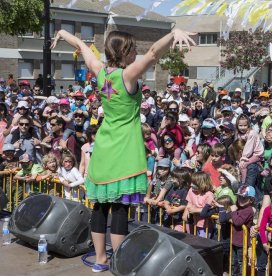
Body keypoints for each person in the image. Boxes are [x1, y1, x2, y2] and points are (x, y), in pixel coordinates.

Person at [51, 27, 195, 272]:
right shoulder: (127, 76)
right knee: (119, 208)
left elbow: (82, 46)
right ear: (124, 51)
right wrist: (172, 34)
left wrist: (62, 32)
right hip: (124, 148)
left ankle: (100, 260)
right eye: (132, 48)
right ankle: (118, 261)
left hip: (104, 146)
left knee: (100, 206)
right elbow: (152, 53)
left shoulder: (99, 71)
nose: (136, 52)